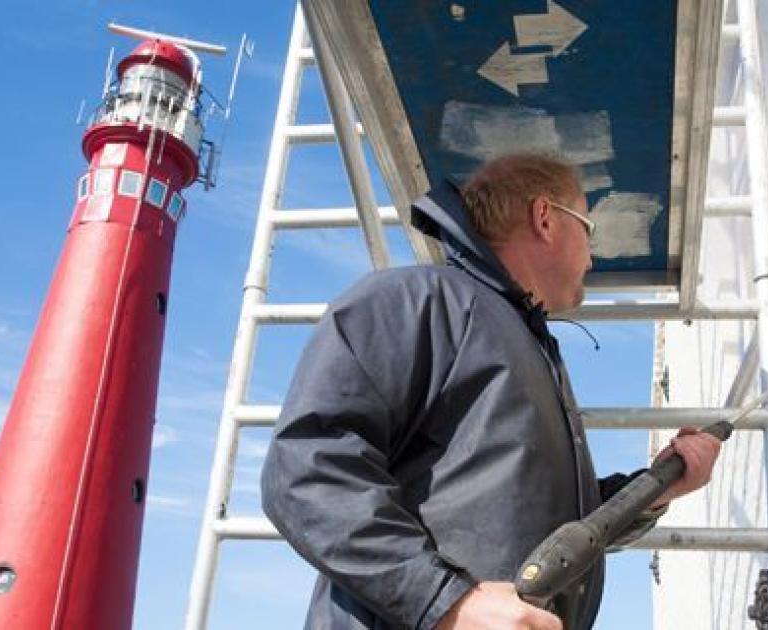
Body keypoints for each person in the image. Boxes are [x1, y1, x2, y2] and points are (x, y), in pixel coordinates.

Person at [261, 153, 721, 629]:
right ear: (545, 218)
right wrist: (447, 603)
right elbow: (305, 466)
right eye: (589, 228)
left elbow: (566, 526)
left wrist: (657, 488)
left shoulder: (535, 350)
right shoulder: (419, 301)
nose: (592, 254)